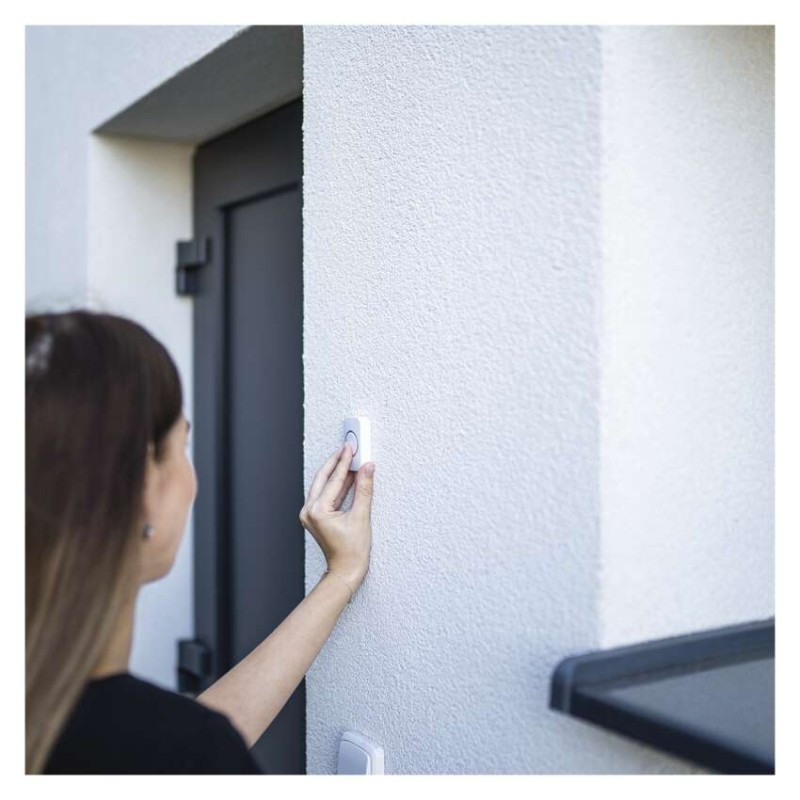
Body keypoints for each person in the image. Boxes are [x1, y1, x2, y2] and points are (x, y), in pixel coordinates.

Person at [26, 310, 375, 774]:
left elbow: (164, 746)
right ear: (143, 487)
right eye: (182, 446)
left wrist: (341, 576)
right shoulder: (184, 752)